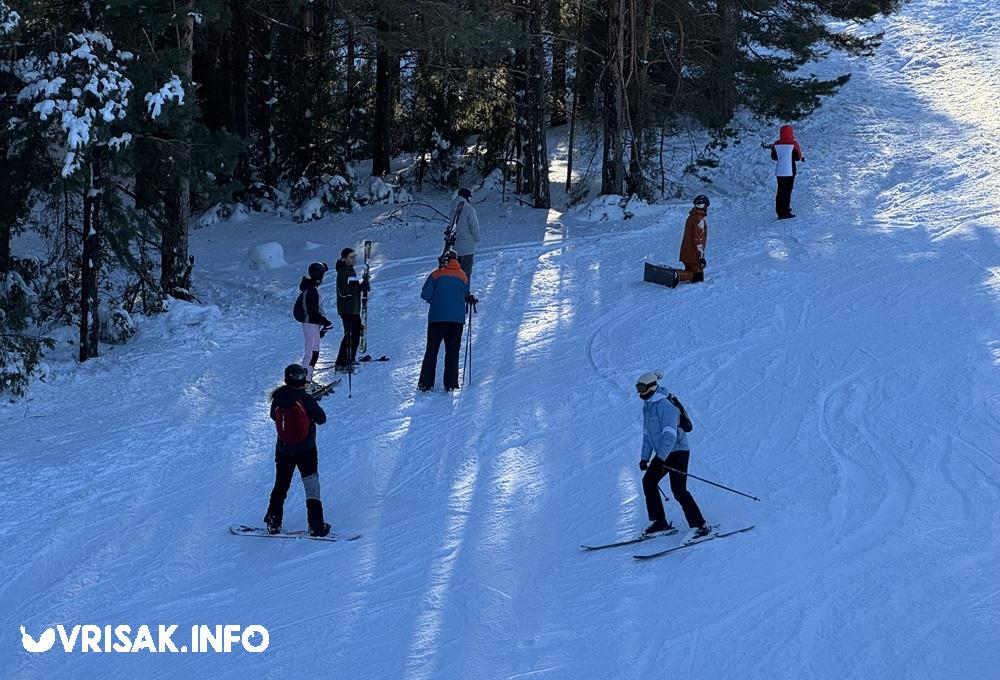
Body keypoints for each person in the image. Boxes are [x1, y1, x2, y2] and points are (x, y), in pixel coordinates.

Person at [635, 370, 710, 539]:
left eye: (642, 388)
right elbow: (647, 435)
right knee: (649, 481)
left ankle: (700, 526)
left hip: (678, 451)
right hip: (664, 453)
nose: (640, 392)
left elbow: (670, 435)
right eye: (637, 389)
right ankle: (659, 522)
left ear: (651, 387)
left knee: (678, 490)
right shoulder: (648, 406)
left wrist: (660, 458)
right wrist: (644, 458)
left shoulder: (665, 406)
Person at [263, 364, 330, 537]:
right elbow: (322, 419)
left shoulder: (278, 397)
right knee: (311, 485)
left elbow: (273, 416)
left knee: (281, 485)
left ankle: (273, 521)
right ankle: (316, 525)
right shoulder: (305, 398)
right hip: (306, 450)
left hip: (283, 449)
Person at [418, 250, 471, 392]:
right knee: (452, 352)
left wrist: (434, 300)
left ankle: (426, 384)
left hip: (437, 318)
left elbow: (425, 294)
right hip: (457, 320)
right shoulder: (463, 276)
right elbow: (466, 293)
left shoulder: (436, 274)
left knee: (432, 351)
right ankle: (451, 384)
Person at [292, 262, 333, 383]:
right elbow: (312, 312)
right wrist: (325, 322)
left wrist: (324, 325)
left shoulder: (311, 288)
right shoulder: (311, 290)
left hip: (313, 324)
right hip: (310, 324)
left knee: (313, 354)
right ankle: (304, 382)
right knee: (310, 354)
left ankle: (308, 379)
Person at [334, 247, 369, 372]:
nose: (354, 259)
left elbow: (352, 286)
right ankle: (341, 362)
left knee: (355, 334)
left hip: (354, 309)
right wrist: (359, 288)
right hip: (347, 309)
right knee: (349, 335)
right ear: (344, 259)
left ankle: (350, 358)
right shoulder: (343, 272)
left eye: (354, 256)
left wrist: (362, 285)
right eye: (351, 257)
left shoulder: (350, 270)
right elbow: (343, 292)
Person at [764, 124, 805, 219]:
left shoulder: (776, 144)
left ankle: (779, 211)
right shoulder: (793, 144)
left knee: (780, 191)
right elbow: (797, 157)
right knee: (787, 191)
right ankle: (785, 211)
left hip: (779, 171)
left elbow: (774, 157)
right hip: (789, 170)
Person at [677, 195, 709, 284]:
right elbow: (698, 240)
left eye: (702, 205)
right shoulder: (699, 220)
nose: (701, 207)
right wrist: (701, 257)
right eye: (699, 205)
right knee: (698, 277)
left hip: (686, 253)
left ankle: (678, 275)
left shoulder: (691, 218)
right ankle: (675, 275)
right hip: (693, 255)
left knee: (690, 274)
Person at [452, 187, 481, 281]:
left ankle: (456, 291)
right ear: (467, 197)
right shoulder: (469, 208)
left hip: (455, 246)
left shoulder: (452, 206)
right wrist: (477, 239)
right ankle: (465, 292)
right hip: (467, 247)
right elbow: (474, 226)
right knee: (465, 272)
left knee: (455, 271)